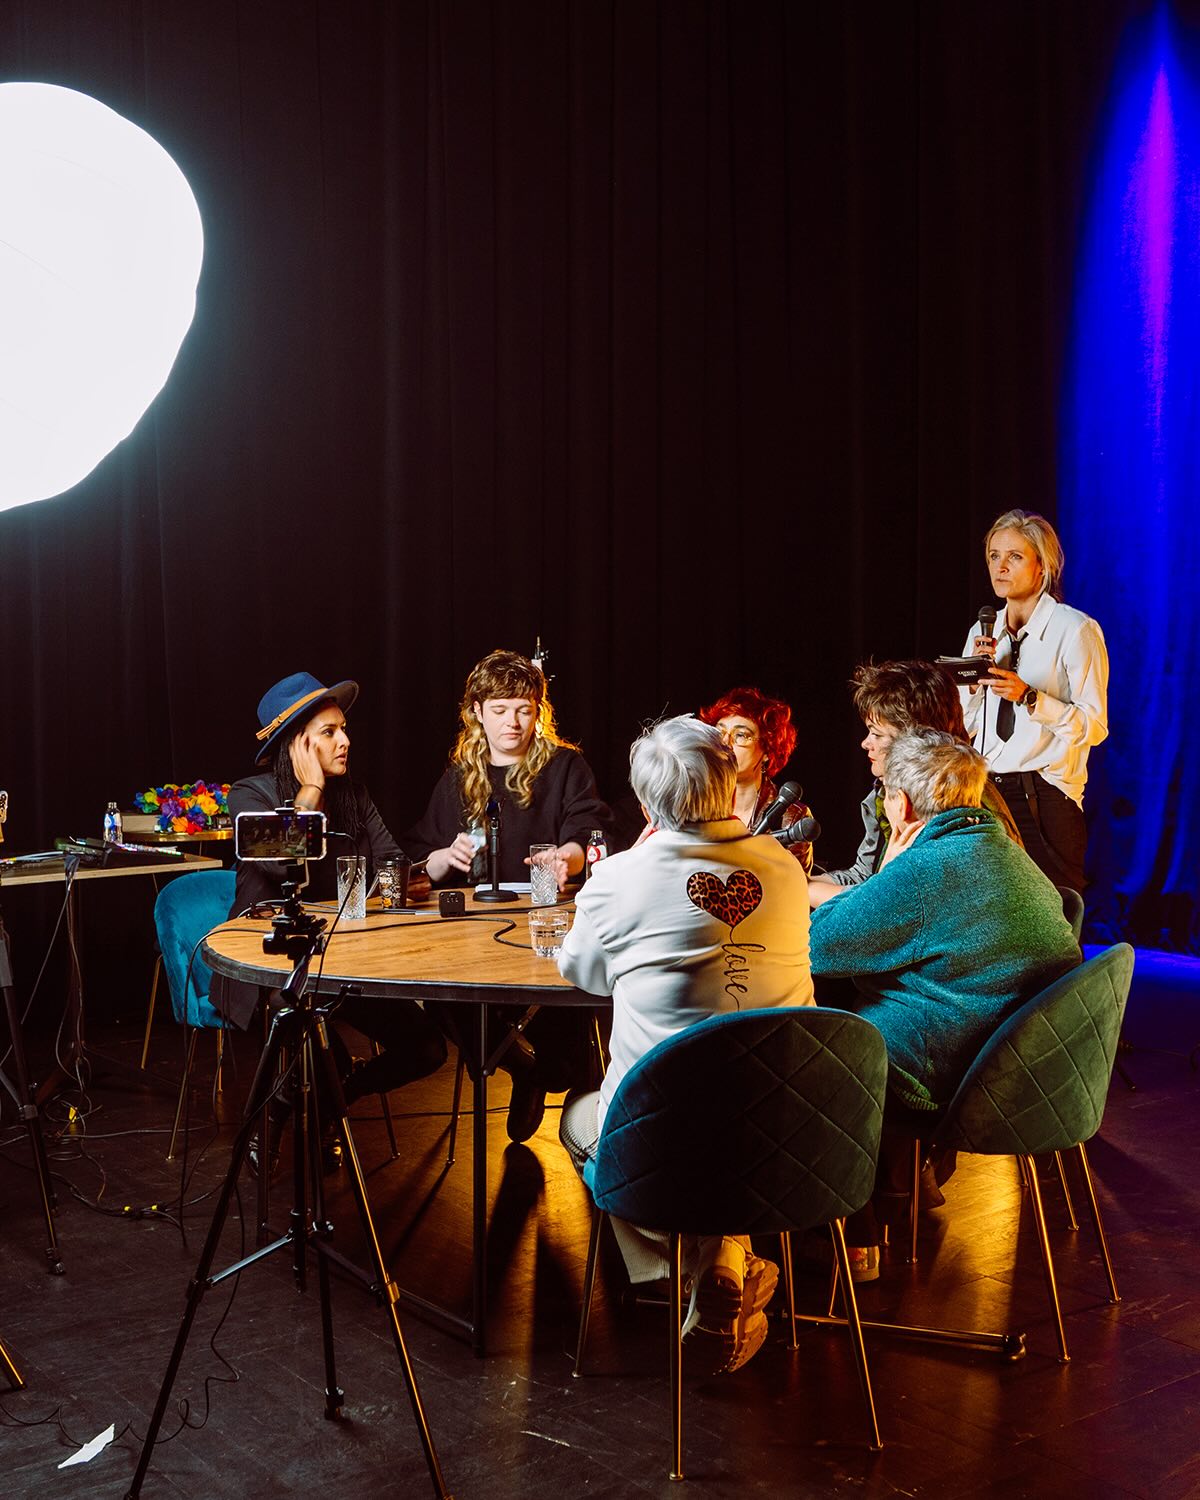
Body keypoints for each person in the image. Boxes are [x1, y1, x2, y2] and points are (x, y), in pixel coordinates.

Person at [557, 715, 814, 1374]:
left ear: (645, 805)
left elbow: (582, 975)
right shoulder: (784, 868)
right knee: (722, 1120)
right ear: (730, 789)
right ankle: (723, 1259)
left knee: (580, 1121)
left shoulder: (618, 880)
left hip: (665, 1140)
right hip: (789, 1133)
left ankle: (678, 1278)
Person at [808, 728, 1081, 1276]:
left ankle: (841, 1242)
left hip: (954, 1077)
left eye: (885, 791)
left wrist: (891, 861)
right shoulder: (1004, 850)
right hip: (1030, 1072)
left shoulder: (928, 869)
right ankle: (877, 1214)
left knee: (813, 1050)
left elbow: (819, 948)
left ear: (902, 804)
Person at [212, 672, 448, 1172]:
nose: (345, 740)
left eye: (343, 728)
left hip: (347, 959)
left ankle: (321, 1108)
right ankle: (300, 1115)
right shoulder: (247, 796)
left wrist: (396, 881)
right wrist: (311, 790)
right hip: (271, 965)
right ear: (296, 745)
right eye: (328, 732)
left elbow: (392, 866)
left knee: (427, 1047)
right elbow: (280, 859)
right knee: (315, 1046)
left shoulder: (355, 796)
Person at [405, 648, 613, 1142]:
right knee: (434, 986)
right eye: (499, 710)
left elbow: (589, 830)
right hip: (474, 929)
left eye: (523, 709)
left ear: (538, 711)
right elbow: (418, 854)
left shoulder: (565, 766)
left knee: (565, 1004)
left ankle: (548, 1070)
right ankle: (524, 1067)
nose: (513, 723)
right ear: (477, 712)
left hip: (546, 919)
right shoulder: (460, 777)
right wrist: (438, 860)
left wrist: (568, 856)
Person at [961, 509, 1108, 892]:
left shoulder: (1074, 630)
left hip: (1045, 795)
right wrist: (974, 685)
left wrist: (1029, 697)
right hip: (988, 791)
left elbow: (1094, 726)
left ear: (1042, 567)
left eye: (1015, 556)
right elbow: (966, 725)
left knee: (1056, 920)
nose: (1001, 567)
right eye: (994, 556)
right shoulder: (983, 630)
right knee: (994, 914)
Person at [807, 659, 1022, 908]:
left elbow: (893, 905)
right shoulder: (885, 792)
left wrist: (802, 888)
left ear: (915, 739)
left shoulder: (961, 806)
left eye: (877, 734)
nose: (865, 743)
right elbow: (866, 878)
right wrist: (798, 881)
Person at [697, 686, 815, 873]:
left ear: (767, 750)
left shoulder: (791, 817)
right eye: (719, 733)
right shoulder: (695, 801)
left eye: (741, 735)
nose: (725, 743)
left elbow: (794, 889)